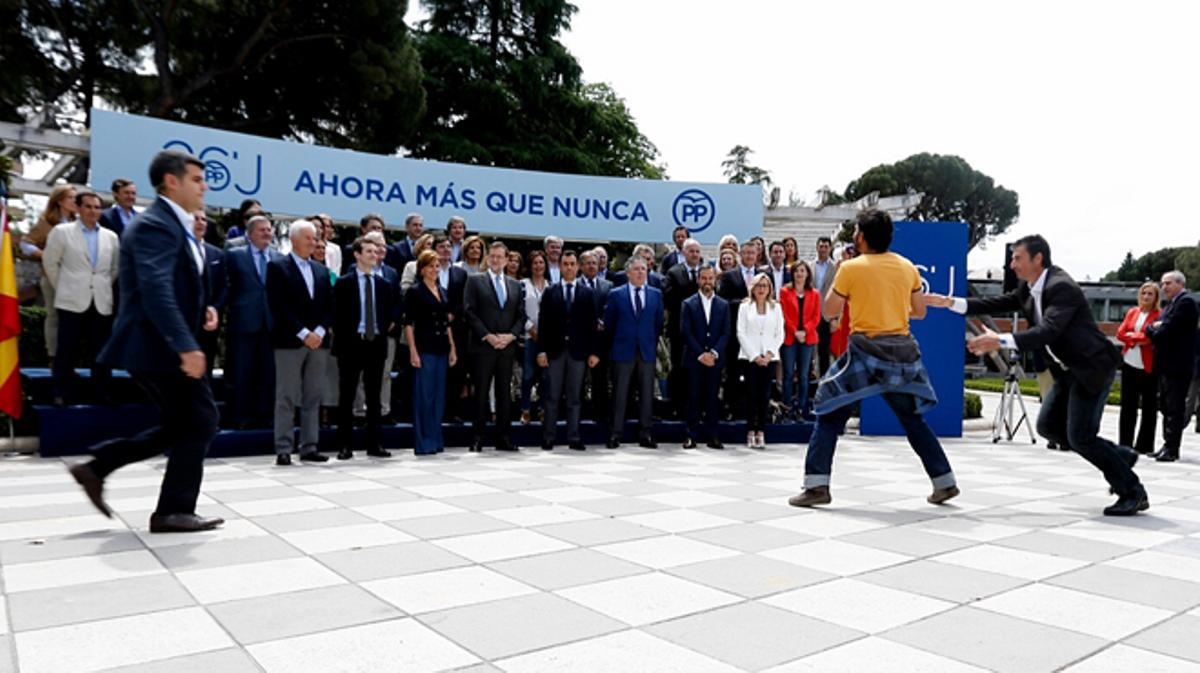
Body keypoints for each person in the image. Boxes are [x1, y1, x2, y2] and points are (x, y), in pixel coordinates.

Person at [928, 233, 1146, 516]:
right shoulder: (1029, 287)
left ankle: (1133, 492)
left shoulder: (1061, 287)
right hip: (1067, 371)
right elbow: (996, 304)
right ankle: (1119, 457)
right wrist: (950, 303)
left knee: (1081, 437)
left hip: (1091, 368)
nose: (1012, 264)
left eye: (1017, 258)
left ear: (1037, 258)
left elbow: (1049, 330)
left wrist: (1001, 340)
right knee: (1048, 428)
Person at [68, 150, 223, 533]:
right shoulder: (156, 225)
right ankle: (172, 510)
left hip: (160, 343)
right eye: (197, 180)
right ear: (172, 181)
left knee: (182, 426)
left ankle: (97, 467)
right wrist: (185, 345)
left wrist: (202, 308)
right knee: (202, 420)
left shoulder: (173, 224)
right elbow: (156, 290)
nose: (204, 186)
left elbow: (176, 282)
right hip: (158, 346)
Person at [792, 210, 959, 509]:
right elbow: (919, 312)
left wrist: (845, 276)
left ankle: (817, 486)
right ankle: (944, 482)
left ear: (862, 237)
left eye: (857, 231)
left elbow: (829, 311)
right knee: (913, 420)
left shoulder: (851, 268)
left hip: (865, 352)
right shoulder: (908, 267)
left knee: (828, 412)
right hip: (903, 352)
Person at [42, 191, 120, 405]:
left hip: (101, 300)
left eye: (97, 207)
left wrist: (100, 286)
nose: (93, 211)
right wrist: (65, 287)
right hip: (71, 300)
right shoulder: (62, 232)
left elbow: (114, 269)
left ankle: (102, 392)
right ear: (77, 208)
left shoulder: (111, 237)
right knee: (67, 349)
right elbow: (50, 263)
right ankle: (61, 392)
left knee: (101, 350)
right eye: (88, 206)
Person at [268, 219, 334, 465]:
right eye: (309, 238)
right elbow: (278, 306)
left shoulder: (321, 270)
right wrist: (303, 333)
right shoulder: (278, 267)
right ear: (295, 239)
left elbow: (329, 306)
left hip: (318, 343)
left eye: (315, 238)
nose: (314, 242)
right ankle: (284, 447)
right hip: (290, 342)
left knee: (313, 395)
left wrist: (319, 331)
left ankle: (309, 446)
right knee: (286, 395)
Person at [334, 237, 399, 460]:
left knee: (374, 396)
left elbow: (392, 311)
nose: (374, 254)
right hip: (351, 345)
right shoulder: (344, 283)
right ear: (357, 254)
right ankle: (344, 445)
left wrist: (387, 323)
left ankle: (374, 444)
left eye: (376, 251)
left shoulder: (384, 285)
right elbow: (337, 316)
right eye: (369, 251)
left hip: (376, 344)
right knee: (348, 396)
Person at [463, 241, 525, 452]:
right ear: (488, 258)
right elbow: (469, 312)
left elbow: (521, 315)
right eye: (493, 256)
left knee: (504, 394)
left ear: (507, 260)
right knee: (480, 393)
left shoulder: (516, 285)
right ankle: (478, 437)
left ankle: (503, 437)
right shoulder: (474, 281)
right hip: (483, 347)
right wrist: (487, 336)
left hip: (506, 348)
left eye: (500, 257)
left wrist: (511, 336)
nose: (496, 260)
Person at [537, 250, 600, 450]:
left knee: (575, 397)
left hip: (578, 353)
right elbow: (543, 324)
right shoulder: (550, 291)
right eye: (565, 264)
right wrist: (541, 351)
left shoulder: (587, 293)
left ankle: (573, 436)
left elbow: (592, 325)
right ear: (560, 266)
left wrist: (593, 352)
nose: (569, 268)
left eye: (573, 264)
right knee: (552, 396)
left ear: (578, 266)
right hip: (555, 351)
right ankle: (549, 436)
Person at [223, 214, 278, 428]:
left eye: (269, 230)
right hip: (243, 322)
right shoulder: (235, 255)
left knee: (268, 374)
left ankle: (265, 416)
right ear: (250, 233)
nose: (267, 234)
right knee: (242, 373)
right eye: (262, 230)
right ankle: (241, 418)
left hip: (270, 324)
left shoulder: (278, 257)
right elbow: (227, 285)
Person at [604, 257, 663, 449]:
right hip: (623, 350)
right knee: (620, 394)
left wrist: (649, 343)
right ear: (628, 273)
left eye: (643, 269)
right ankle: (615, 433)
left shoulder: (655, 294)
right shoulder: (616, 294)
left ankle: (645, 433)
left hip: (646, 350)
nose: (640, 272)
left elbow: (658, 324)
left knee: (646, 394)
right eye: (636, 269)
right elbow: (609, 324)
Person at [406, 250, 458, 455]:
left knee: (438, 397)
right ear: (422, 269)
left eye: (437, 266)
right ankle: (423, 441)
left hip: (442, 348)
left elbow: (447, 323)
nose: (435, 269)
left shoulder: (443, 290)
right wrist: (413, 351)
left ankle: (436, 439)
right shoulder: (415, 291)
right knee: (424, 397)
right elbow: (408, 323)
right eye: (431, 266)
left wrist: (452, 347)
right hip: (424, 347)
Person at [1146, 270, 1198, 462]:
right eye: (1162, 283)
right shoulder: (1171, 305)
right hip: (1167, 366)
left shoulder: (1186, 303)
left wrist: (1156, 328)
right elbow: (1151, 327)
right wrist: (1155, 327)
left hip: (1178, 366)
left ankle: (1172, 448)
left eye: (1168, 283)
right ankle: (1167, 444)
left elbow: (1164, 331)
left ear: (1180, 284)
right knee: (1166, 407)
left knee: (1175, 408)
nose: (1164, 287)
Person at [22, 184, 79, 361]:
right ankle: (53, 356)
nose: (74, 202)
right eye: (71, 198)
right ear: (60, 201)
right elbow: (25, 244)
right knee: (54, 316)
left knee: (74, 318)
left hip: (76, 277)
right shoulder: (46, 221)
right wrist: (45, 255)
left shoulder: (79, 222)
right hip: (52, 276)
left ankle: (70, 356)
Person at [680, 265, 729, 449]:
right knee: (693, 397)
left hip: (715, 360)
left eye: (710, 278)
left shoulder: (723, 305)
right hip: (695, 359)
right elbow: (686, 332)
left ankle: (713, 435)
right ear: (698, 280)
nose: (707, 282)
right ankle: (691, 435)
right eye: (704, 278)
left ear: (715, 280)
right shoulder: (688, 304)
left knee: (712, 398)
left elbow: (725, 333)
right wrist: (701, 354)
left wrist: (714, 353)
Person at [738, 272, 784, 448]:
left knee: (765, 395)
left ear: (769, 289)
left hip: (769, 358)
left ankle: (761, 431)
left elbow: (779, 333)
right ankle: (750, 430)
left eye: (765, 286)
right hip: (751, 357)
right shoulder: (745, 307)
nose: (761, 289)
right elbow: (740, 332)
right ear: (753, 288)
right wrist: (755, 356)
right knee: (751, 395)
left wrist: (770, 354)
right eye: (759, 286)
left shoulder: (776, 307)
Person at [718, 241, 763, 418]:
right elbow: (723, 303)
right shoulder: (729, 276)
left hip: (757, 335)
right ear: (740, 255)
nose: (750, 256)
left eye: (753, 253)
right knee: (733, 373)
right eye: (746, 253)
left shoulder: (763, 275)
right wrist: (742, 303)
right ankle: (732, 409)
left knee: (754, 375)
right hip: (736, 333)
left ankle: (753, 411)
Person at [1116, 282, 1161, 454]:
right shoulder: (1132, 312)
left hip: (1148, 366)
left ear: (1156, 297)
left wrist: (1132, 337)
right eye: (1144, 293)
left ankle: (1144, 445)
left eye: (1150, 294)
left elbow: (1151, 338)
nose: (1146, 297)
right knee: (1127, 406)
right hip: (1129, 364)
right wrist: (1137, 338)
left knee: (1149, 407)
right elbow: (1120, 333)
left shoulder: (1159, 315)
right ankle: (1125, 443)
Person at [663, 238, 704, 418]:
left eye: (697, 251)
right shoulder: (673, 273)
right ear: (684, 253)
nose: (694, 255)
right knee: (678, 369)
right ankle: (677, 406)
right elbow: (670, 300)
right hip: (679, 331)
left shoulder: (705, 273)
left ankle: (697, 407)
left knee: (698, 370)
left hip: (701, 332)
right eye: (691, 251)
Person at [433, 234, 470, 423]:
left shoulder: (460, 273)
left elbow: (464, 300)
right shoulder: (428, 270)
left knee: (456, 371)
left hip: (456, 328)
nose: (446, 249)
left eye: (449, 247)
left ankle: (453, 411)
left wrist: (453, 313)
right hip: (434, 327)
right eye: (442, 246)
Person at [780, 260, 820, 420]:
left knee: (804, 376)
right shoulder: (784, 291)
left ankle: (801, 409)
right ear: (793, 273)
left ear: (807, 274)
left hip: (808, 338)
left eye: (803, 271)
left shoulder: (815, 293)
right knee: (788, 374)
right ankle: (786, 408)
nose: (799, 274)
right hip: (790, 337)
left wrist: (805, 331)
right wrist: (795, 331)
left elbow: (816, 317)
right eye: (797, 271)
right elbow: (783, 314)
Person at [580, 250, 614, 425]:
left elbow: (611, 309)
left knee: (600, 380)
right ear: (581, 266)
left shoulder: (608, 285)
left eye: (594, 263)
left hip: (601, 341)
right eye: (588, 263)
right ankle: (578, 416)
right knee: (578, 381)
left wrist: (603, 322)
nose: (592, 266)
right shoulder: (575, 284)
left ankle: (600, 415)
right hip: (580, 340)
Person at [193, 210, 226, 379]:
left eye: (203, 219)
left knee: (206, 370)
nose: (200, 222)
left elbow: (224, 286)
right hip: (187, 321)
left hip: (209, 323)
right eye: (196, 219)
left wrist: (214, 308)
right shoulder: (177, 249)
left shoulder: (216, 254)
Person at [519, 250, 549, 424]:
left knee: (546, 376)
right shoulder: (523, 284)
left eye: (541, 263)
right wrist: (531, 329)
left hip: (546, 338)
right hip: (529, 337)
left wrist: (544, 334)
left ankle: (543, 409)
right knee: (528, 375)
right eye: (535, 263)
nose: (538, 266)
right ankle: (525, 409)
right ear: (530, 266)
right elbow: (519, 310)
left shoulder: (551, 285)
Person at [812, 235, 837, 374]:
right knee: (809, 350)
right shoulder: (809, 266)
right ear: (817, 247)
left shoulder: (836, 267)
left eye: (826, 247)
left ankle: (824, 380)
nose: (823, 249)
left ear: (830, 248)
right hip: (811, 312)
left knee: (824, 351)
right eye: (821, 246)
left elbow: (839, 293)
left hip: (827, 314)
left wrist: (835, 318)